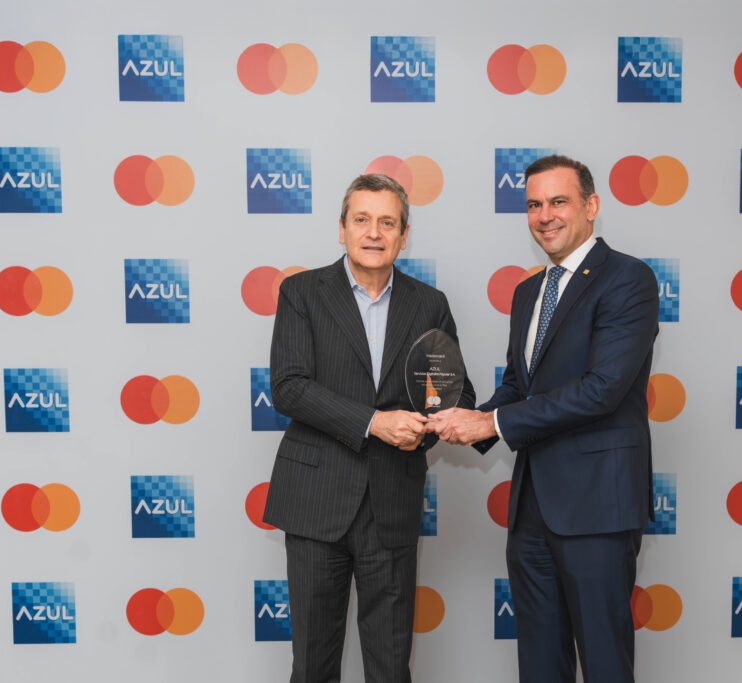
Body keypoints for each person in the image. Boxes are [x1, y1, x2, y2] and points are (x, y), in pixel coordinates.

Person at [428, 155, 659, 682]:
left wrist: (493, 425)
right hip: (532, 509)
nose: (545, 216)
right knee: (538, 664)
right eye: (534, 205)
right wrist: (465, 419)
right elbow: (519, 386)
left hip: (598, 507)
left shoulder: (628, 278)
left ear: (591, 206)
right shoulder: (528, 292)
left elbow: (602, 390)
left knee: (604, 663)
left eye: (558, 201)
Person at [263, 173, 475, 683]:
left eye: (387, 222)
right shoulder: (301, 292)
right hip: (315, 502)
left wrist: (424, 427)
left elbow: (456, 395)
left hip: (392, 503)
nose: (374, 233)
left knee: (390, 667)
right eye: (361, 220)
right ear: (342, 229)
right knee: (312, 666)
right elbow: (289, 387)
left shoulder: (430, 303)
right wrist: (376, 422)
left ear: (404, 235)